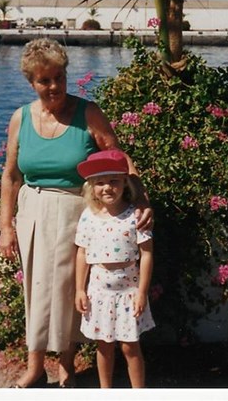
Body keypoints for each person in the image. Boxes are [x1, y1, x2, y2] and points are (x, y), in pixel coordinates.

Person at [0, 38, 152, 388]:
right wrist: (6, 226)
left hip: (76, 212)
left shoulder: (88, 113)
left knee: (73, 290)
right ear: (31, 82)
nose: (54, 86)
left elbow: (118, 158)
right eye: (45, 80)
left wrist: (141, 198)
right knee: (36, 291)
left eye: (60, 77)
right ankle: (35, 367)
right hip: (33, 212)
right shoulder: (20, 118)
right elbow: (11, 175)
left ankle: (66, 364)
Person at [74, 149, 154, 388]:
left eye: (113, 181)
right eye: (100, 183)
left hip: (128, 293)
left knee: (130, 347)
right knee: (104, 347)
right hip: (99, 294)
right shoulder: (88, 217)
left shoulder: (135, 216)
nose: (107, 188)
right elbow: (82, 253)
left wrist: (142, 292)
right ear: (91, 187)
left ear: (124, 183)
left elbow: (147, 254)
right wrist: (80, 289)